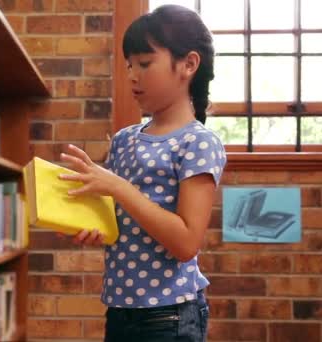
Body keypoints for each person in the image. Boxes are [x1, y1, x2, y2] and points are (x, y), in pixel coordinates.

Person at [58, 4, 226, 342]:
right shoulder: (124, 140)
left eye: (145, 64)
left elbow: (186, 243)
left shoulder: (199, 142)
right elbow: (121, 221)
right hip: (120, 310)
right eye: (129, 65)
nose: (133, 75)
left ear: (189, 65)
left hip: (170, 315)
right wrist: (91, 225)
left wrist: (119, 188)